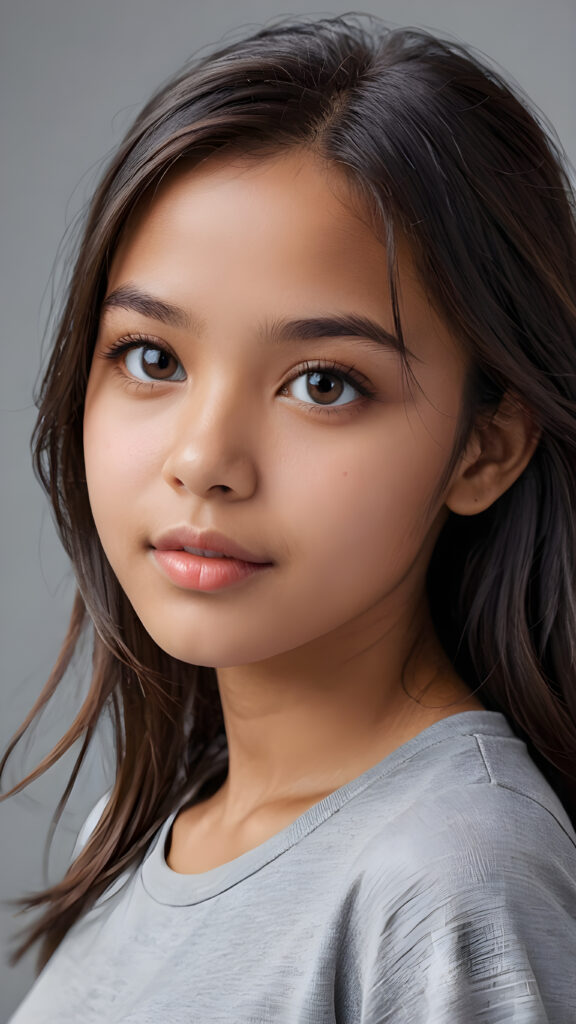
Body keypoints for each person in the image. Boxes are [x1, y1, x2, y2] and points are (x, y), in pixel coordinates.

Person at [2, 11, 576, 1022]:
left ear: (487, 447)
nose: (204, 461)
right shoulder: (136, 835)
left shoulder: (449, 877)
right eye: (152, 358)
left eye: (322, 382)